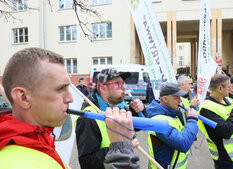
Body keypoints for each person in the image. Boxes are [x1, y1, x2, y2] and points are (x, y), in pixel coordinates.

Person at [0, 48, 140, 169]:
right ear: (23, 98)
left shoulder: (40, 141)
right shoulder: (18, 163)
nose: (70, 98)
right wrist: (121, 152)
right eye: (60, 88)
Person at [75, 68, 146, 169]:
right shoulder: (89, 116)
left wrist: (138, 111)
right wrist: (122, 147)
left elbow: (140, 127)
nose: (124, 87)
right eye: (118, 84)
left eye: (123, 83)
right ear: (103, 88)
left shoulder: (119, 107)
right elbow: (87, 163)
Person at [198, 74, 233, 169]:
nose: (230, 89)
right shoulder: (206, 108)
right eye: (228, 86)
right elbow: (225, 131)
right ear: (220, 88)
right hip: (227, 160)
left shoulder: (228, 100)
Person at [146, 82, 199, 169]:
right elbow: (183, 144)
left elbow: (187, 134)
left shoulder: (173, 113)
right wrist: (192, 121)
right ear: (165, 99)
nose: (180, 101)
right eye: (176, 98)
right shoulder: (158, 121)